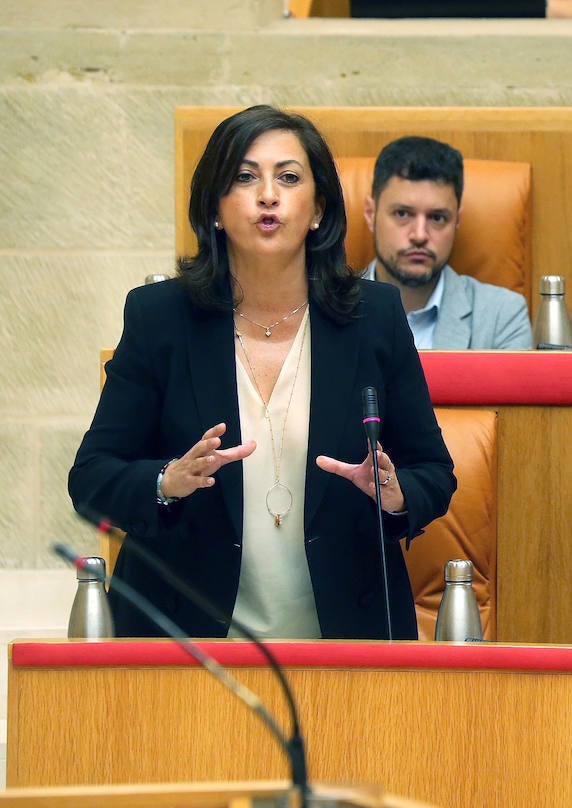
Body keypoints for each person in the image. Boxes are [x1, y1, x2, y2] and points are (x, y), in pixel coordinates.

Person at [69, 105, 457, 640]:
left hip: (347, 638)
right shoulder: (160, 318)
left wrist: (392, 492)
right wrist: (166, 481)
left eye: (289, 178)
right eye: (245, 177)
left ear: (319, 208)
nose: (268, 194)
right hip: (187, 645)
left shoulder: (374, 318)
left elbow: (434, 472)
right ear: (214, 209)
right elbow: (90, 478)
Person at [362, 136, 532, 350]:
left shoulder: (501, 316)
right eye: (403, 213)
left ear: (457, 221)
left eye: (437, 218)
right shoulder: (324, 309)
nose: (420, 235)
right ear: (371, 214)